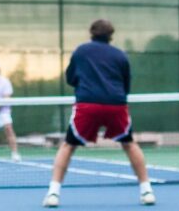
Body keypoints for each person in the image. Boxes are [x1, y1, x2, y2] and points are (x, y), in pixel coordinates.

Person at [43, 20, 155, 208]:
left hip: (88, 105)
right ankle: (147, 190)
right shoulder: (120, 55)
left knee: (68, 146)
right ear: (111, 35)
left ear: (92, 33)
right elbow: (126, 84)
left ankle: (53, 193)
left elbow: (70, 78)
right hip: (116, 105)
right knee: (129, 144)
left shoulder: (81, 51)